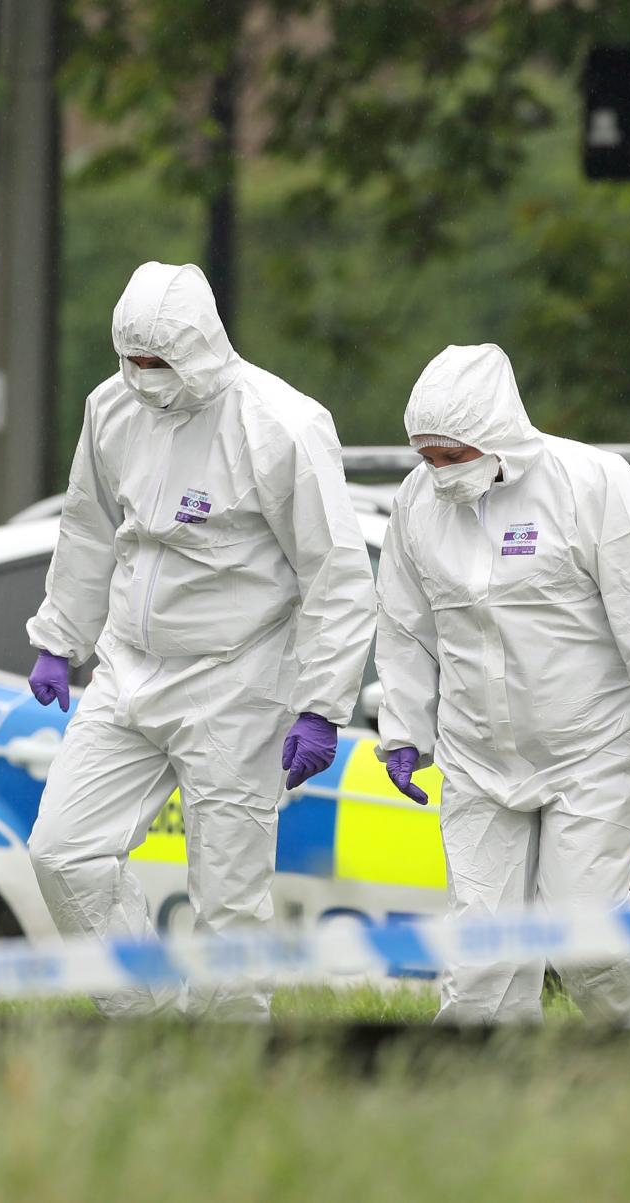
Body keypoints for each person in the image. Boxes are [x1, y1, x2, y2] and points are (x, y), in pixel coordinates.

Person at [23, 261, 375, 1018]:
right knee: (62, 849)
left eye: (159, 362)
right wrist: (61, 636)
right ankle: (146, 1015)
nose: (144, 377)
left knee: (229, 899)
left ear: (203, 346)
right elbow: (87, 524)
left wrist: (322, 705)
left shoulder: (280, 425)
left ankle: (231, 1052)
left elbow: (337, 574)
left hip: (236, 684)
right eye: (133, 360)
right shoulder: (110, 408)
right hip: (126, 669)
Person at [373, 343, 630, 1025]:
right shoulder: (416, 503)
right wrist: (404, 730)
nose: (437, 472)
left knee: (585, 932)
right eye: (426, 456)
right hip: (478, 757)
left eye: (451, 455)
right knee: (480, 957)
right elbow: (406, 627)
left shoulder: (590, 483)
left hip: (589, 751)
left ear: (495, 436)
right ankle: (480, 1096)